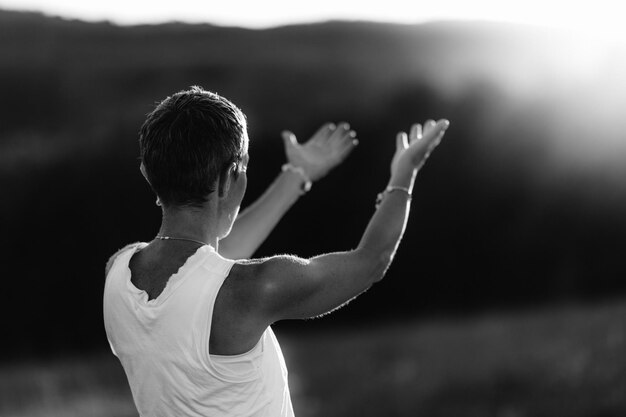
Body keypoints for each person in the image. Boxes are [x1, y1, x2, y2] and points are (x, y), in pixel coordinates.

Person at [103, 86, 449, 417]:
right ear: (229, 179)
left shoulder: (117, 272)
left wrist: (297, 174)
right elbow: (372, 260)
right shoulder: (252, 289)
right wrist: (404, 174)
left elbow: (199, 266)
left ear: (147, 172)